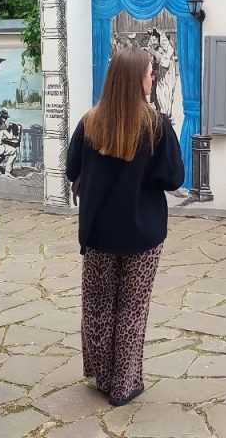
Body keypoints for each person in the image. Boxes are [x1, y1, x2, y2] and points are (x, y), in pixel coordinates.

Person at [67, 45, 184, 407]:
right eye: (150, 72)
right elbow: (174, 178)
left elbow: (72, 169)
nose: (154, 77)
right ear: (137, 79)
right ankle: (124, 384)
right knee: (133, 308)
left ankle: (104, 376)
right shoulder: (156, 125)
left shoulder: (90, 122)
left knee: (98, 305)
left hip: (99, 230)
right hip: (142, 232)